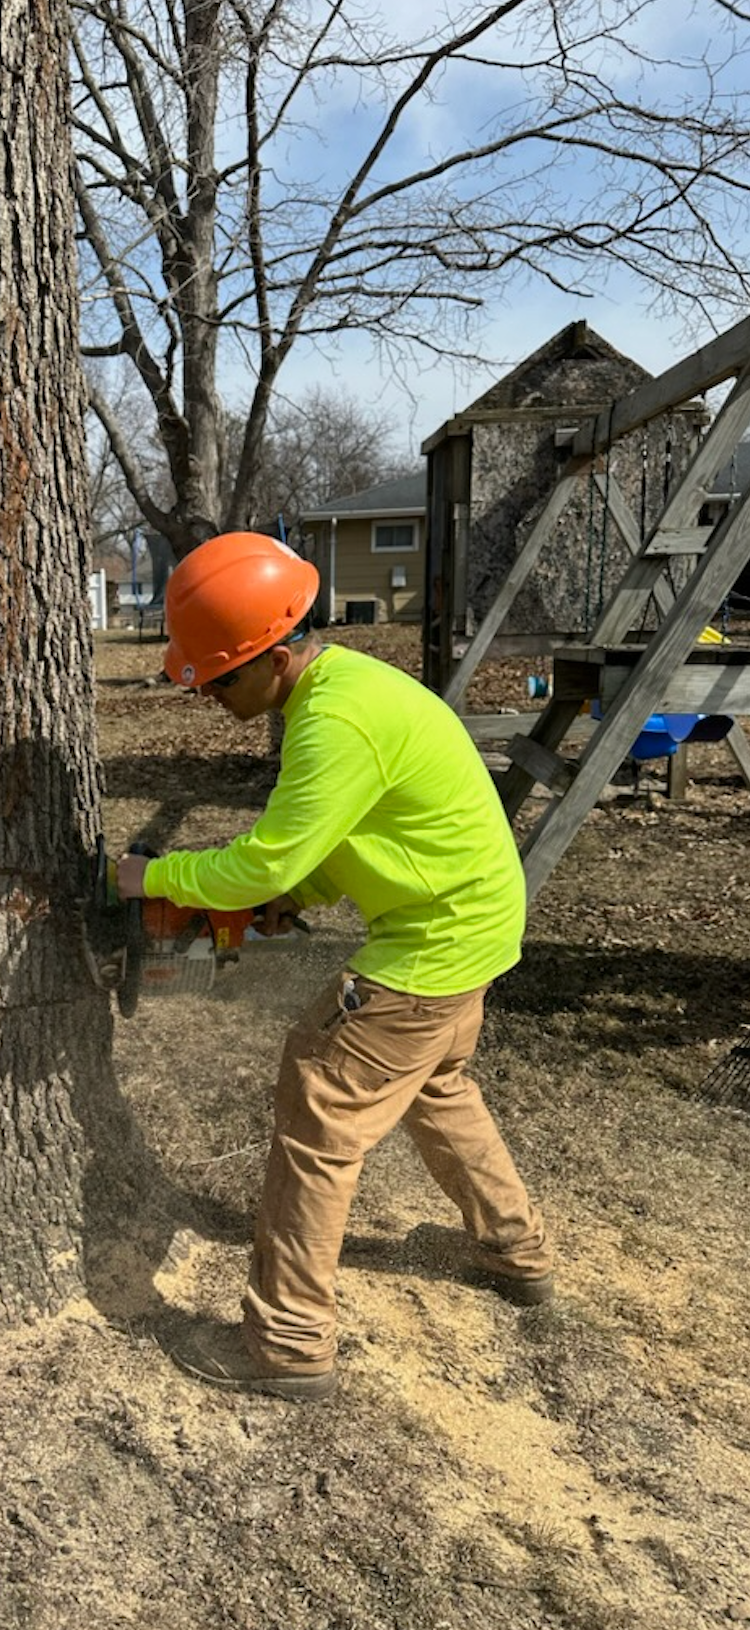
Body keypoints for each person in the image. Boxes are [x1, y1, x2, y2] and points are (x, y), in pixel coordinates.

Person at [116, 531, 552, 1403]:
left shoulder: (333, 721)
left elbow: (266, 859)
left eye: (220, 676)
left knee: (319, 1103)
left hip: (433, 942)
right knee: (439, 1088)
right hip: (473, 927)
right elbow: (342, 837)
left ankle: (286, 1342)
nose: (208, 692)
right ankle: (517, 1251)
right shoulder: (344, 692)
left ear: (275, 657)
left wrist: (152, 877)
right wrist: (301, 898)